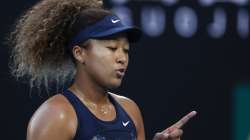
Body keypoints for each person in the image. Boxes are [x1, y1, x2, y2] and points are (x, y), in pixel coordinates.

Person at [8, 0, 197, 140]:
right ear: (80, 53)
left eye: (126, 50)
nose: (122, 58)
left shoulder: (130, 110)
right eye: (112, 48)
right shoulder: (56, 116)